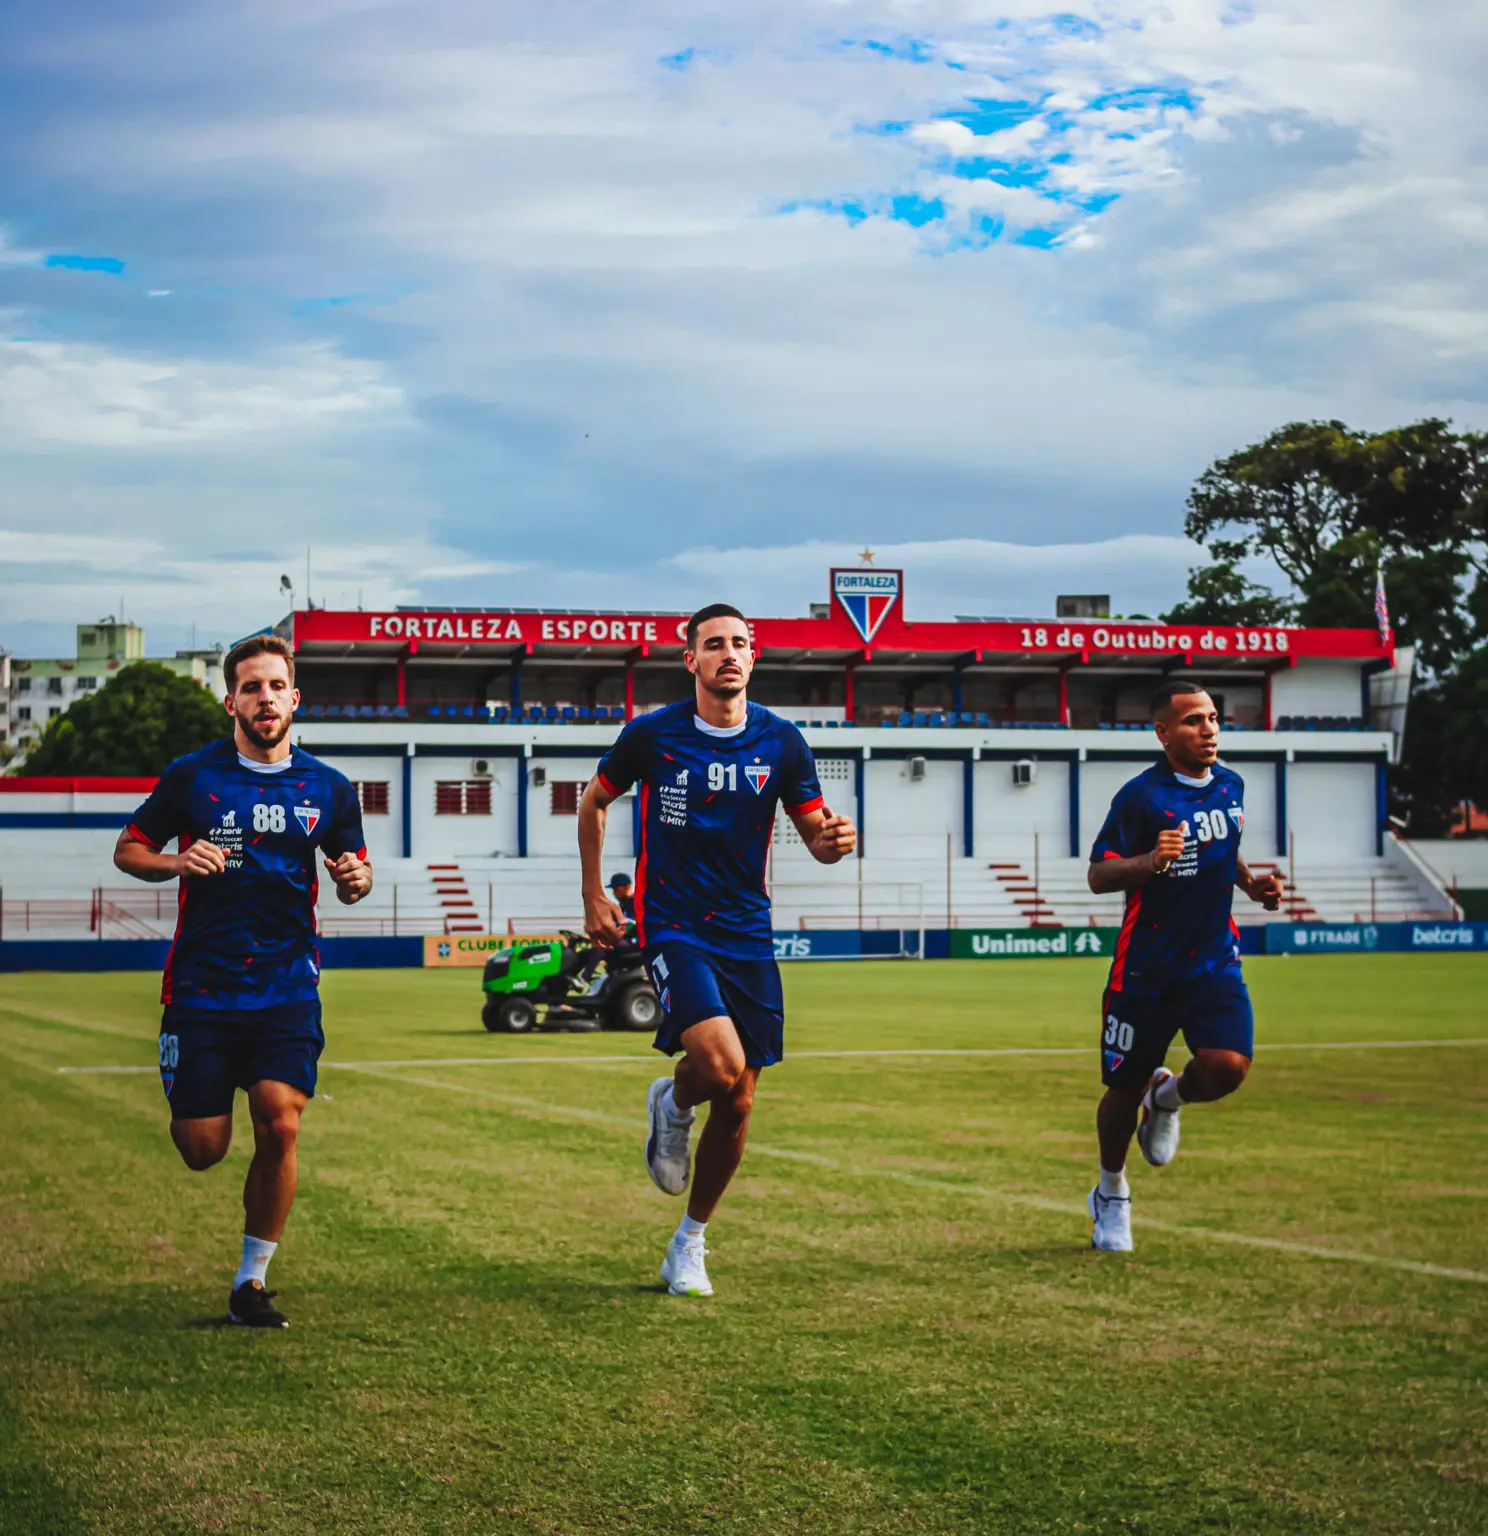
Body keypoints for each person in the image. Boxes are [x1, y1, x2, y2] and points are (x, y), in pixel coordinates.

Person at [577, 603, 856, 1297]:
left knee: (741, 1100)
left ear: (753, 657)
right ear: (690, 661)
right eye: (713, 645)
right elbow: (593, 801)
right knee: (718, 1063)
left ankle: (690, 1243)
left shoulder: (783, 742)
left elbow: (813, 833)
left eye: (739, 644)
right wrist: (593, 895)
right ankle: (672, 1104)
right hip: (675, 923)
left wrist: (833, 843)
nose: (728, 654)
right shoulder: (652, 735)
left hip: (748, 931)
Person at [114, 634, 372, 1326]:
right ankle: (194, 1091)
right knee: (202, 1149)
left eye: (275, 686)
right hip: (200, 989)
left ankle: (250, 1282)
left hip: (287, 987)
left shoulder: (329, 788)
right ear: (231, 699)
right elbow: (129, 849)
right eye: (251, 687)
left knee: (280, 1122)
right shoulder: (192, 777)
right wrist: (176, 863)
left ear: (295, 699)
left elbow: (356, 871)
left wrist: (355, 879)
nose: (264, 698)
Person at [1084, 680, 1283, 1252]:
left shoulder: (1231, 785)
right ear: (1163, 732)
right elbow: (1099, 875)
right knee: (1121, 1088)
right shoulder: (1140, 797)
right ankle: (1111, 1192)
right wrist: (1149, 860)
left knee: (1227, 1069)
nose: (1210, 729)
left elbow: (1224, 844)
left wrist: (1251, 884)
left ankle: (1166, 1098)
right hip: (1146, 970)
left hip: (1214, 961)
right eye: (1195, 720)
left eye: (1214, 718)